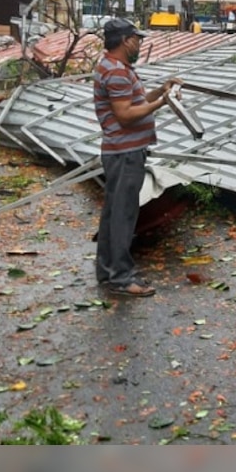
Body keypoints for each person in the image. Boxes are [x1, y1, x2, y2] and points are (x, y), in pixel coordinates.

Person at [93, 18, 177, 297]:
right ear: (125, 40)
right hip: (125, 153)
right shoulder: (116, 72)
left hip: (121, 152)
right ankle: (121, 277)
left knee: (113, 213)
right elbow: (126, 115)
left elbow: (135, 103)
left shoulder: (115, 67)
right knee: (123, 216)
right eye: (137, 39)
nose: (139, 44)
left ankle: (107, 271)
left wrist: (161, 91)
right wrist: (162, 102)